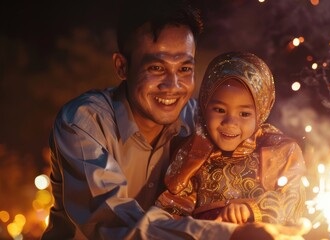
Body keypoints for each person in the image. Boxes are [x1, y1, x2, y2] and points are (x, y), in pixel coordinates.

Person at [42, 0, 309, 239]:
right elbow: (112, 222)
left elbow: (260, 147)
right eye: (156, 68)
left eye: (184, 69)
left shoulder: (201, 121)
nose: (173, 85)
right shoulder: (82, 124)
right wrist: (229, 234)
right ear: (122, 66)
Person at [156, 52, 306, 225]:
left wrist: (251, 209)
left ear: (261, 112)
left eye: (244, 114)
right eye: (219, 110)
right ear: (204, 106)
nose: (230, 123)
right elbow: (171, 212)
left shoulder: (278, 151)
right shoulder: (191, 154)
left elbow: (293, 201)